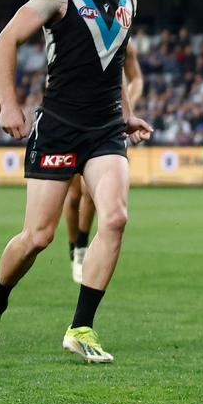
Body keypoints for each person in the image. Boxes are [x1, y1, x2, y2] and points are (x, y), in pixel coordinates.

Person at [0, 0, 154, 363]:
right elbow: (4, 41)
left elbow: (113, 66)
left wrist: (128, 112)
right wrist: (10, 106)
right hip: (57, 127)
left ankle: (82, 327)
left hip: (106, 131)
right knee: (38, 236)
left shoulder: (129, 1)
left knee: (114, 217)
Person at [66, 38, 142, 283]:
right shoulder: (73, 31)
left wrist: (126, 107)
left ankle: (80, 250)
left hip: (105, 124)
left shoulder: (123, 40)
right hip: (69, 120)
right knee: (73, 196)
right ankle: (73, 251)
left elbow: (136, 78)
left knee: (90, 193)